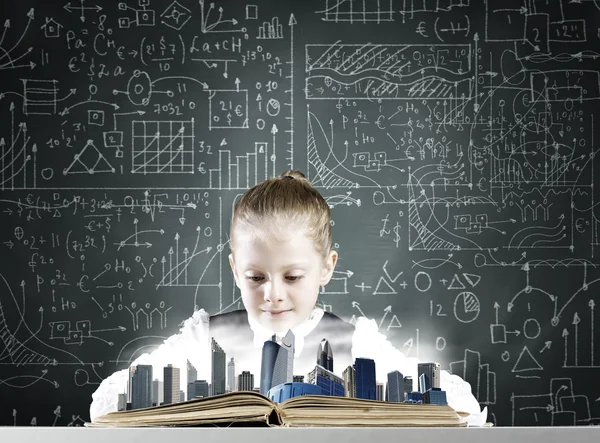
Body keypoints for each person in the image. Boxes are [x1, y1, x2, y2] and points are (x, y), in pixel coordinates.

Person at [90, 171, 487, 425]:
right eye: (255, 277)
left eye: (293, 276)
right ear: (234, 269)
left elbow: (460, 406)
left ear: (327, 268)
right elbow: (106, 402)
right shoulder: (203, 339)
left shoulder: (357, 342)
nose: (273, 295)